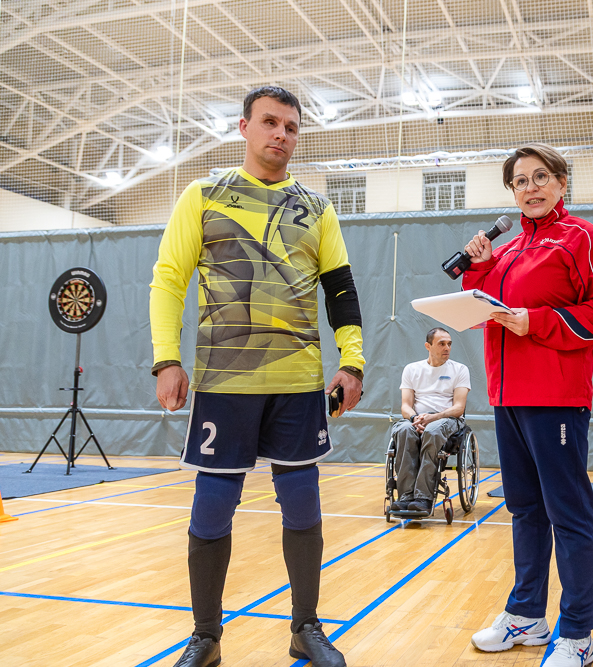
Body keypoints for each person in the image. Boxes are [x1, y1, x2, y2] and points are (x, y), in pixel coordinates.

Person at [150, 86, 364, 667]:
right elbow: (170, 279)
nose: (281, 136)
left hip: (298, 382)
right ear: (243, 127)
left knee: (303, 505)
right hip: (225, 382)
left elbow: (340, 290)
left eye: (291, 127)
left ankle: (305, 628)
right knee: (212, 509)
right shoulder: (204, 194)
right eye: (270, 123)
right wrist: (166, 358)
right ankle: (206, 637)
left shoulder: (317, 208)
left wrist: (352, 361)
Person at [461, 143, 593, 667]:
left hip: (554, 399)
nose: (530, 188)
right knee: (524, 510)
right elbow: (487, 312)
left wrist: (539, 321)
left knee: (569, 515)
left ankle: (577, 632)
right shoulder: (507, 251)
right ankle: (526, 614)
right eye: (520, 181)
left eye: (540, 177)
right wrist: (479, 270)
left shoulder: (582, 238)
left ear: (561, 183)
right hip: (506, 397)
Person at [389, 327, 471, 514]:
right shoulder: (412, 369)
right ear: (428, 346)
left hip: (446, 418)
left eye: (449, 344)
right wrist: (414, 418)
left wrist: (433, 418)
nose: (447, 348)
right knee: (403, 430)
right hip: (418, 418)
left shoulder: (459, 369)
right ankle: (405, 496)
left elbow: (458, 408)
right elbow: (405, 406)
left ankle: (423, 497)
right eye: (441, 343)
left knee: (433, 430)